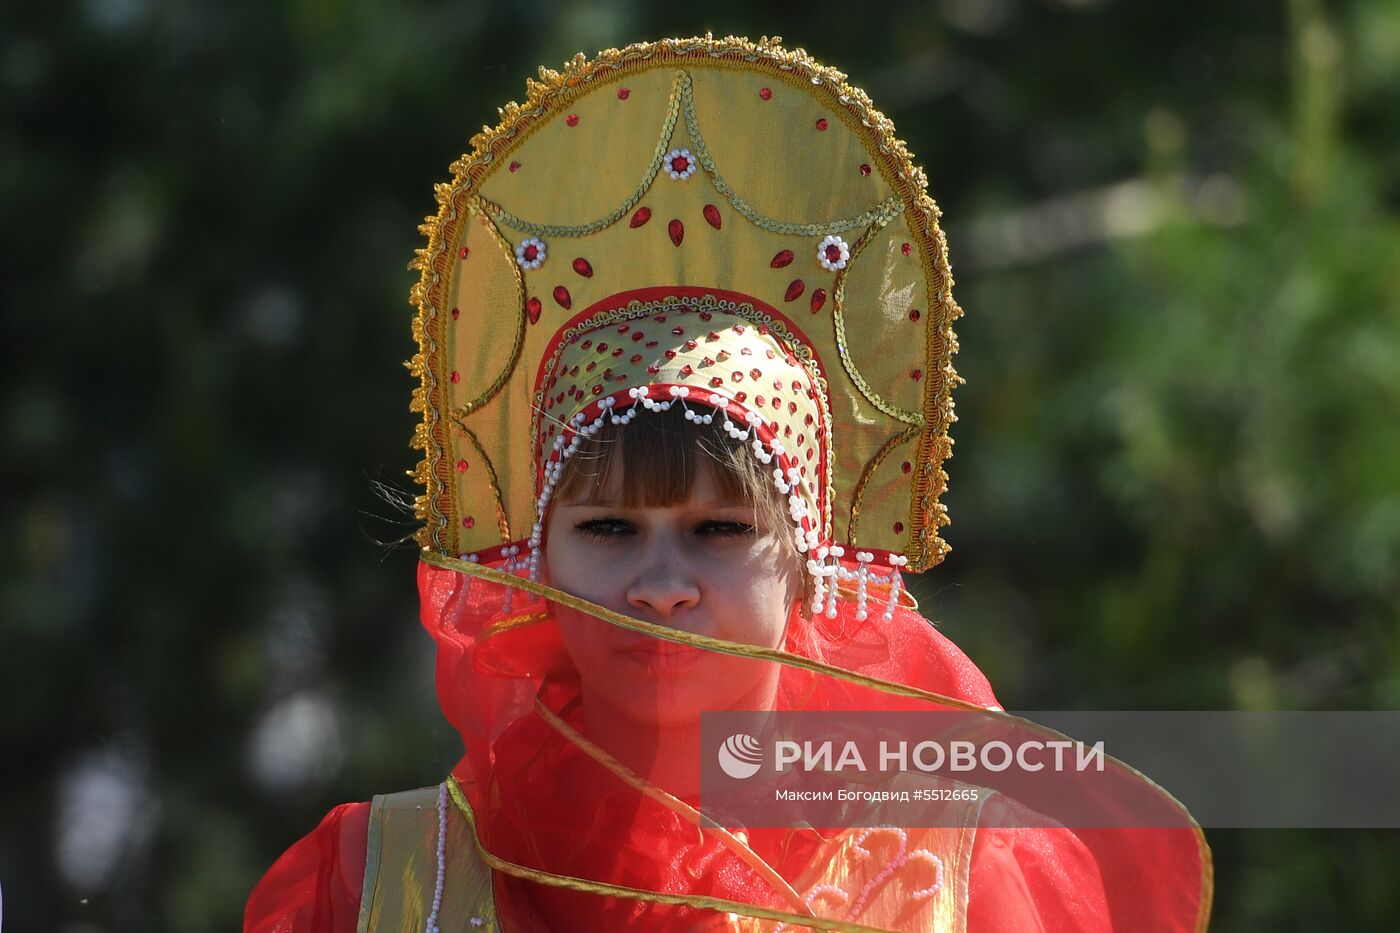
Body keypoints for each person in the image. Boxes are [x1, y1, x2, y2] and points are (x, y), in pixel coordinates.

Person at [245, 35, 1213, 932]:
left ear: (806, 561)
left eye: (716, 531)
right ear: (535, 553)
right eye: (609, 530)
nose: (659, 585)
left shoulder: (954, 878)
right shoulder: (376, 880)